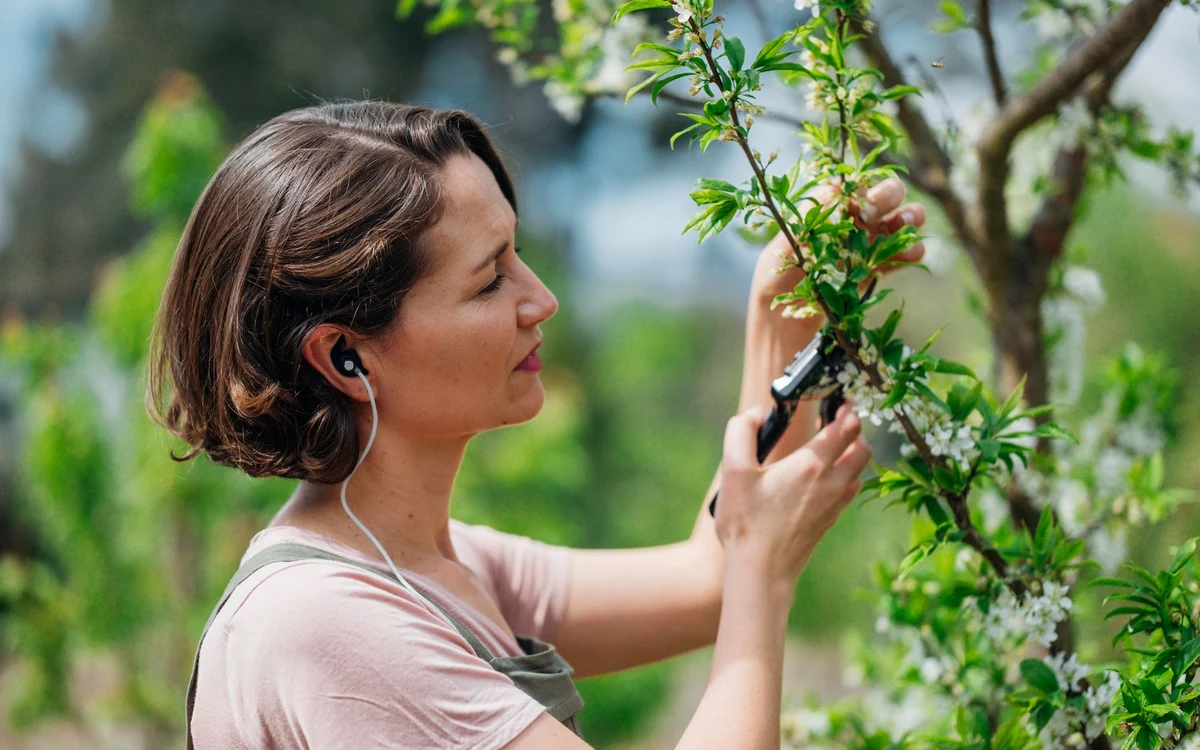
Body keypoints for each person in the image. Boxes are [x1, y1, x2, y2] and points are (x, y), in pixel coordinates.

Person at [147, 100, 926, 749]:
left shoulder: (442, 565)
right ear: (345, 356)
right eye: (490, 280)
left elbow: (707, 582)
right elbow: (741, 575)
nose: (540, 299)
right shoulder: (326, 625)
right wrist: (766, 573)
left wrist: (781, 305)